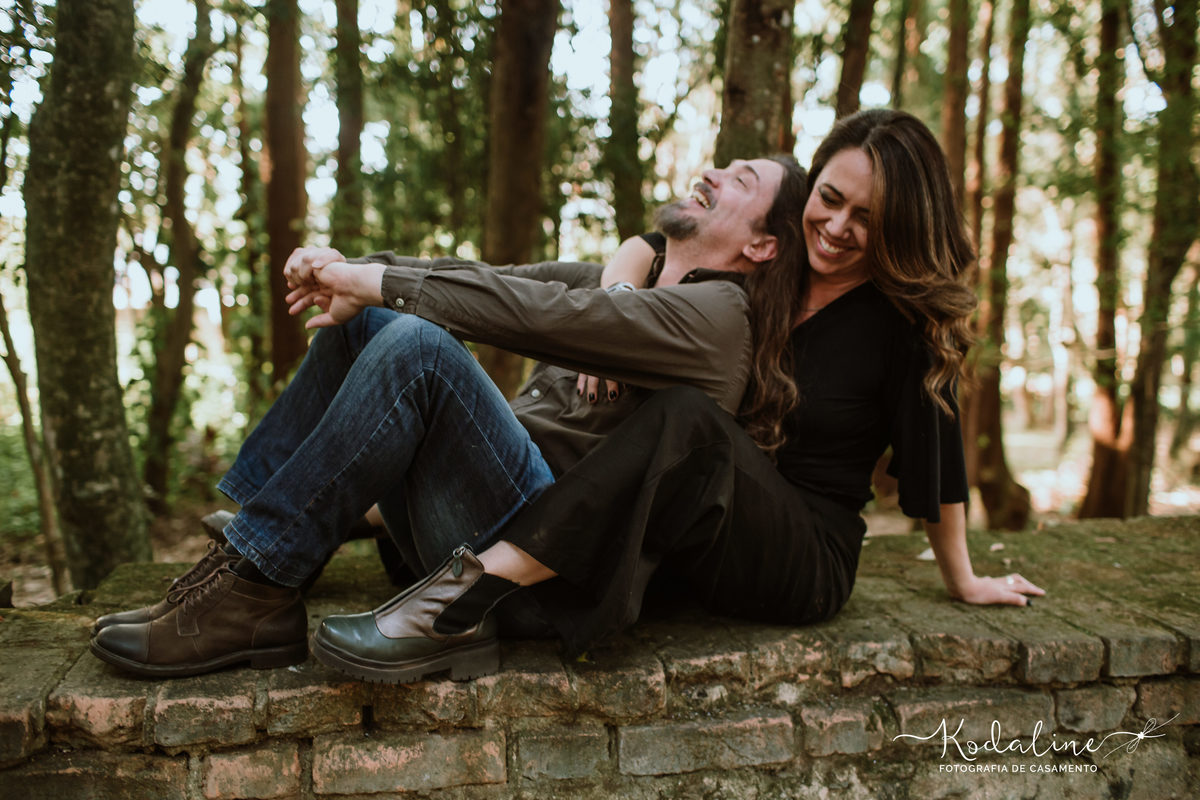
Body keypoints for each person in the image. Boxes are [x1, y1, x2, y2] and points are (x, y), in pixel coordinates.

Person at [302, 108, 1045, 682]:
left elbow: (937, 456)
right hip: (700, 529)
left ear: (899, 231)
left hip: (796, 550)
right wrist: (625, 289)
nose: (838, 227)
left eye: (868, 221)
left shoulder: (898, 324)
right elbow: (655, 250)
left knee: (686, 419)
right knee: (662, 425)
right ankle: (326, 523)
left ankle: (465, 596)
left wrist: (964, 576)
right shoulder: (768, 273)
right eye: (830, 198)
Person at [88, 154, 810, 679]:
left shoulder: (722, 316)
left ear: (762, 245)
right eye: (724, 165)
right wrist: (354, 270)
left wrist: (374, 282)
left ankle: (257, 584)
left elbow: (524, 313)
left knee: (419, 346)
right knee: (369, 319)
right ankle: (252, 570)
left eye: (741, 181)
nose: (714, 172)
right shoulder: (613, 286)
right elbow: (487, 281)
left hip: (531, 574)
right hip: (472, 513)